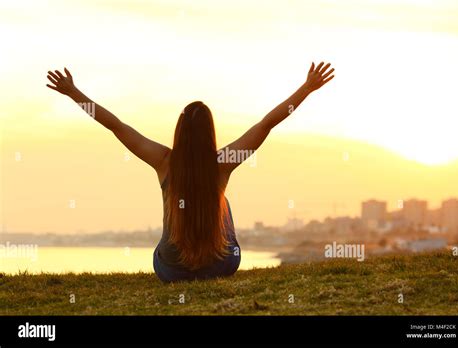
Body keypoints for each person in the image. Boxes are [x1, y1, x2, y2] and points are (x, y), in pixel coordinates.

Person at [46, 61, 335, 282]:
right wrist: (306, 89)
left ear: (179, 132)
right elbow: (265, 125)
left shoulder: (163, 161)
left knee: (209, 204)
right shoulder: (224, 162)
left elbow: (115, 125)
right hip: (220, 267)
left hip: (170, 270)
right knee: (222, 200)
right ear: (210, 133)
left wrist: (74, 93)